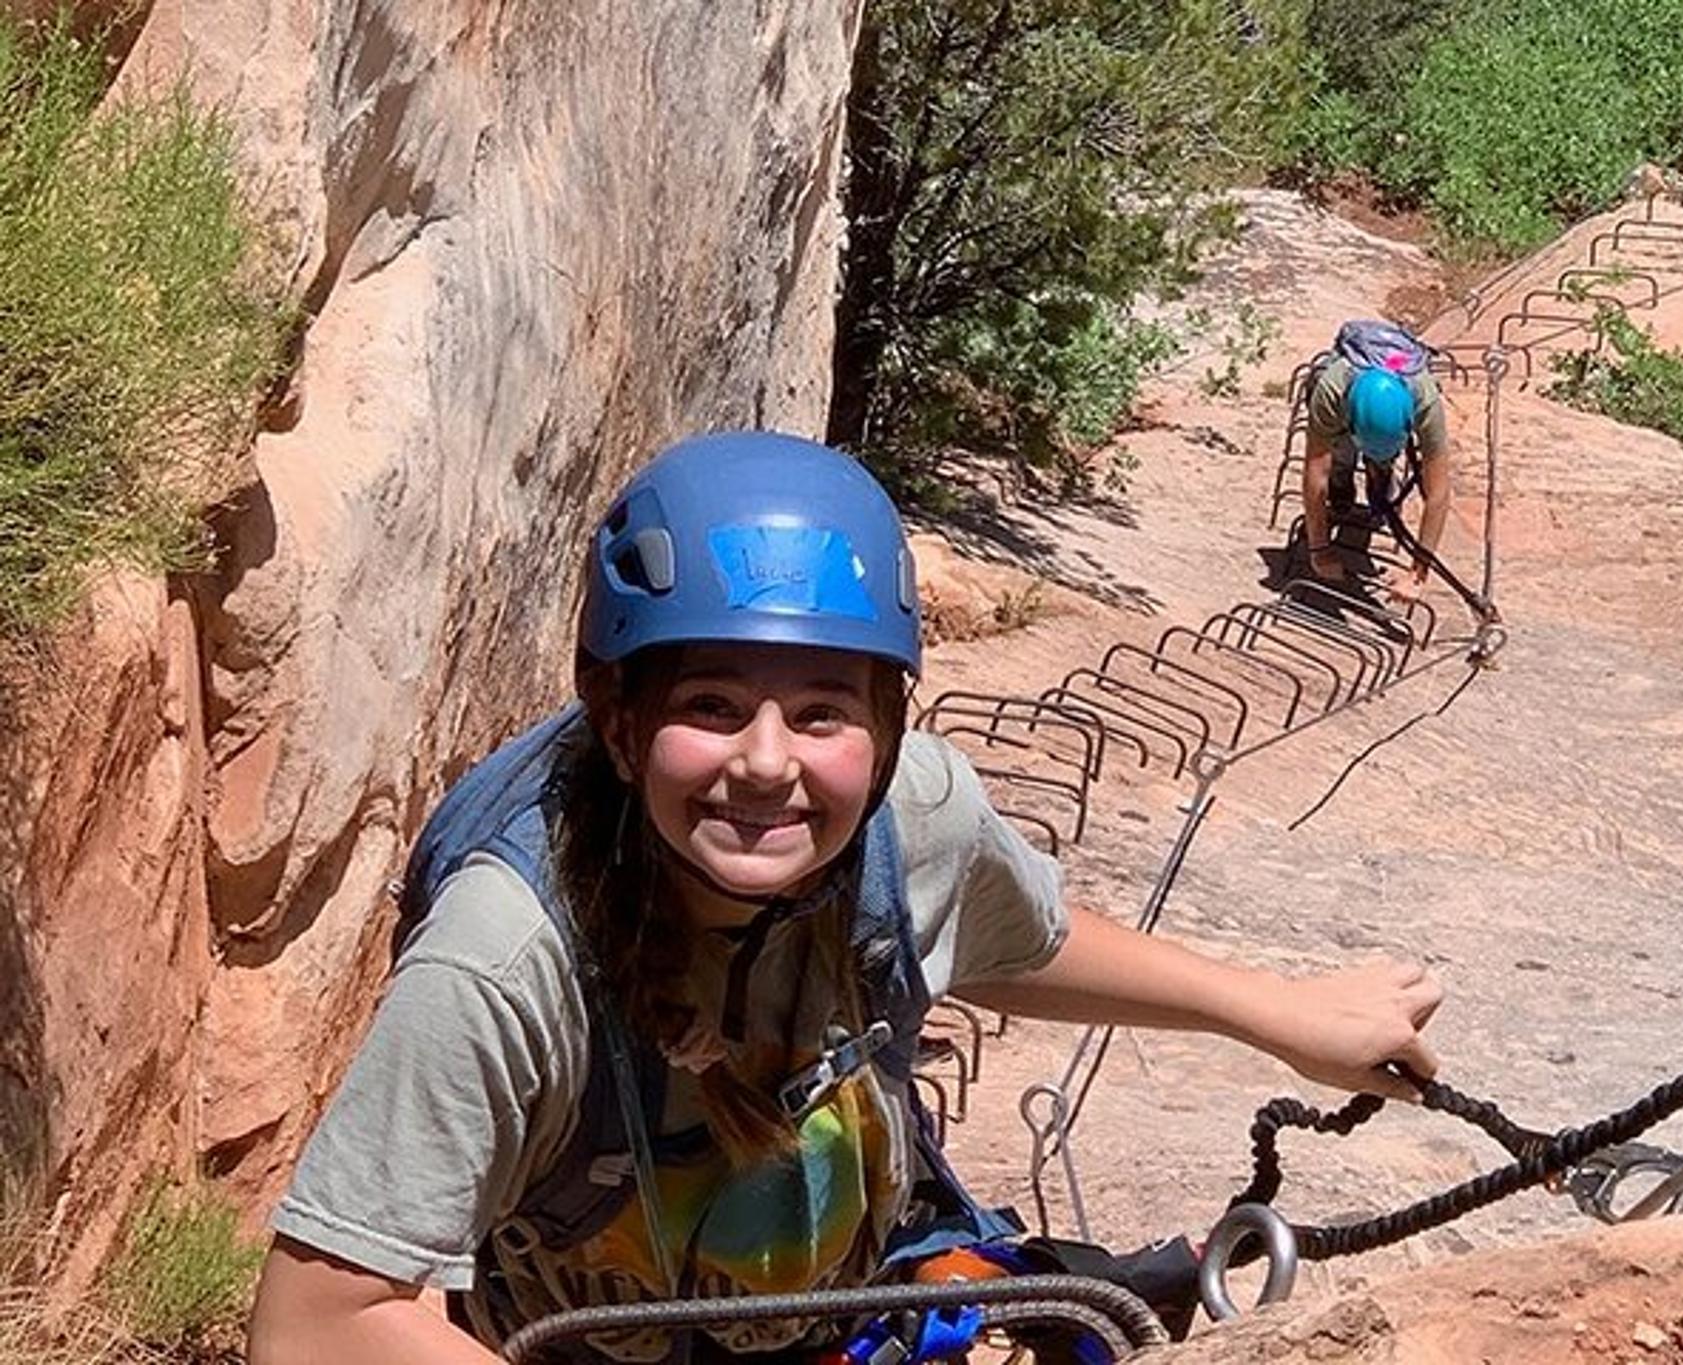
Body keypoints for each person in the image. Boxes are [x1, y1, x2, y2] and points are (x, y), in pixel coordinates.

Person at [244, 431, 1446, 1364]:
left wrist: (1276, 1012)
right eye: (709, 705)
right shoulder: (509, 956)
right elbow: (319, 1320)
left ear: (884, 728)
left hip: (844, 1312)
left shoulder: (910, 818)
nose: (766, 762)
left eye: (821, 712)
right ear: (619, 724)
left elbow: (1012, 944)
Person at [1300, 321, 1453, 603]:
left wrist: (1418, 573)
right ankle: (1342, 492)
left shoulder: (1425, 398)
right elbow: (1314, 471)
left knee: (1380, 469)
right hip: (1346, 413)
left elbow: (1439, 492)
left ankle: (1380, 486)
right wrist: (1319, 549)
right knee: (1339, 460)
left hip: (1394, 381)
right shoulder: (1332, 389)